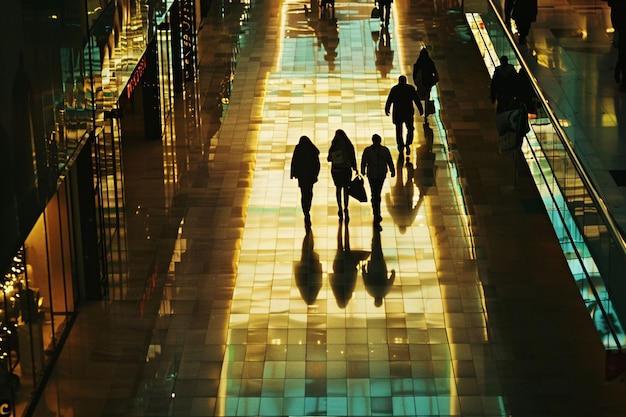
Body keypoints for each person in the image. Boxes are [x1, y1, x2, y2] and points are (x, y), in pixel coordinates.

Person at [361, 134, 395, 229]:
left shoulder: (368, 151)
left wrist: (363, 170)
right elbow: (389, 161)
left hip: (375, 175)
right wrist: (392, 170)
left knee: (375, 193)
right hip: (377, 174)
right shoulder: (384, 150)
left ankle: (375, 209)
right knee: (376, 193)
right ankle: (377, 210)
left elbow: (364, 161)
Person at [385, 75, 423, 154]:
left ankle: (400, 145)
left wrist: (387, 109)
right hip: (408, 112)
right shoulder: (410, 89)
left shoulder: (395, 89)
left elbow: (389, 100)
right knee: (410, 128)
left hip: (398, 112)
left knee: (399, 129)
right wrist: (420, 109)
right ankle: (408, 143)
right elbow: (416, 99)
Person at [291, 135, 320, 230]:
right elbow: (317, 164)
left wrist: (294, 173)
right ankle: (308, 208)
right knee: (309, 193)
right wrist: (316, 174)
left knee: (303, 194)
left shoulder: (299, 149)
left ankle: (306, 211)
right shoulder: (312, 150)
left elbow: (294, 161)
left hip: (302, 177)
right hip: (310, 176)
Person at [327, 129, 357, 222]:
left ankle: (339, 206)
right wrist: (355, 167)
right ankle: (346, 207)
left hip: (336, 170)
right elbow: (353, 157)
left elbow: (328, 159)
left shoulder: (334, 146)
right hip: (346, 170)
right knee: (346, 189)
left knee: (338, 189)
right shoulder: (349, 146)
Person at [412, 47, 439, 120]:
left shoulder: (418, 63)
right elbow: (434, 72)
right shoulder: (430, 63)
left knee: (421, 96)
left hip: (421, 82)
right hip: (428, 82)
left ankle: (423, 109)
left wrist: (416, 82)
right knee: (427, 96)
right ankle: (427, 111)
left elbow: (414, 74)